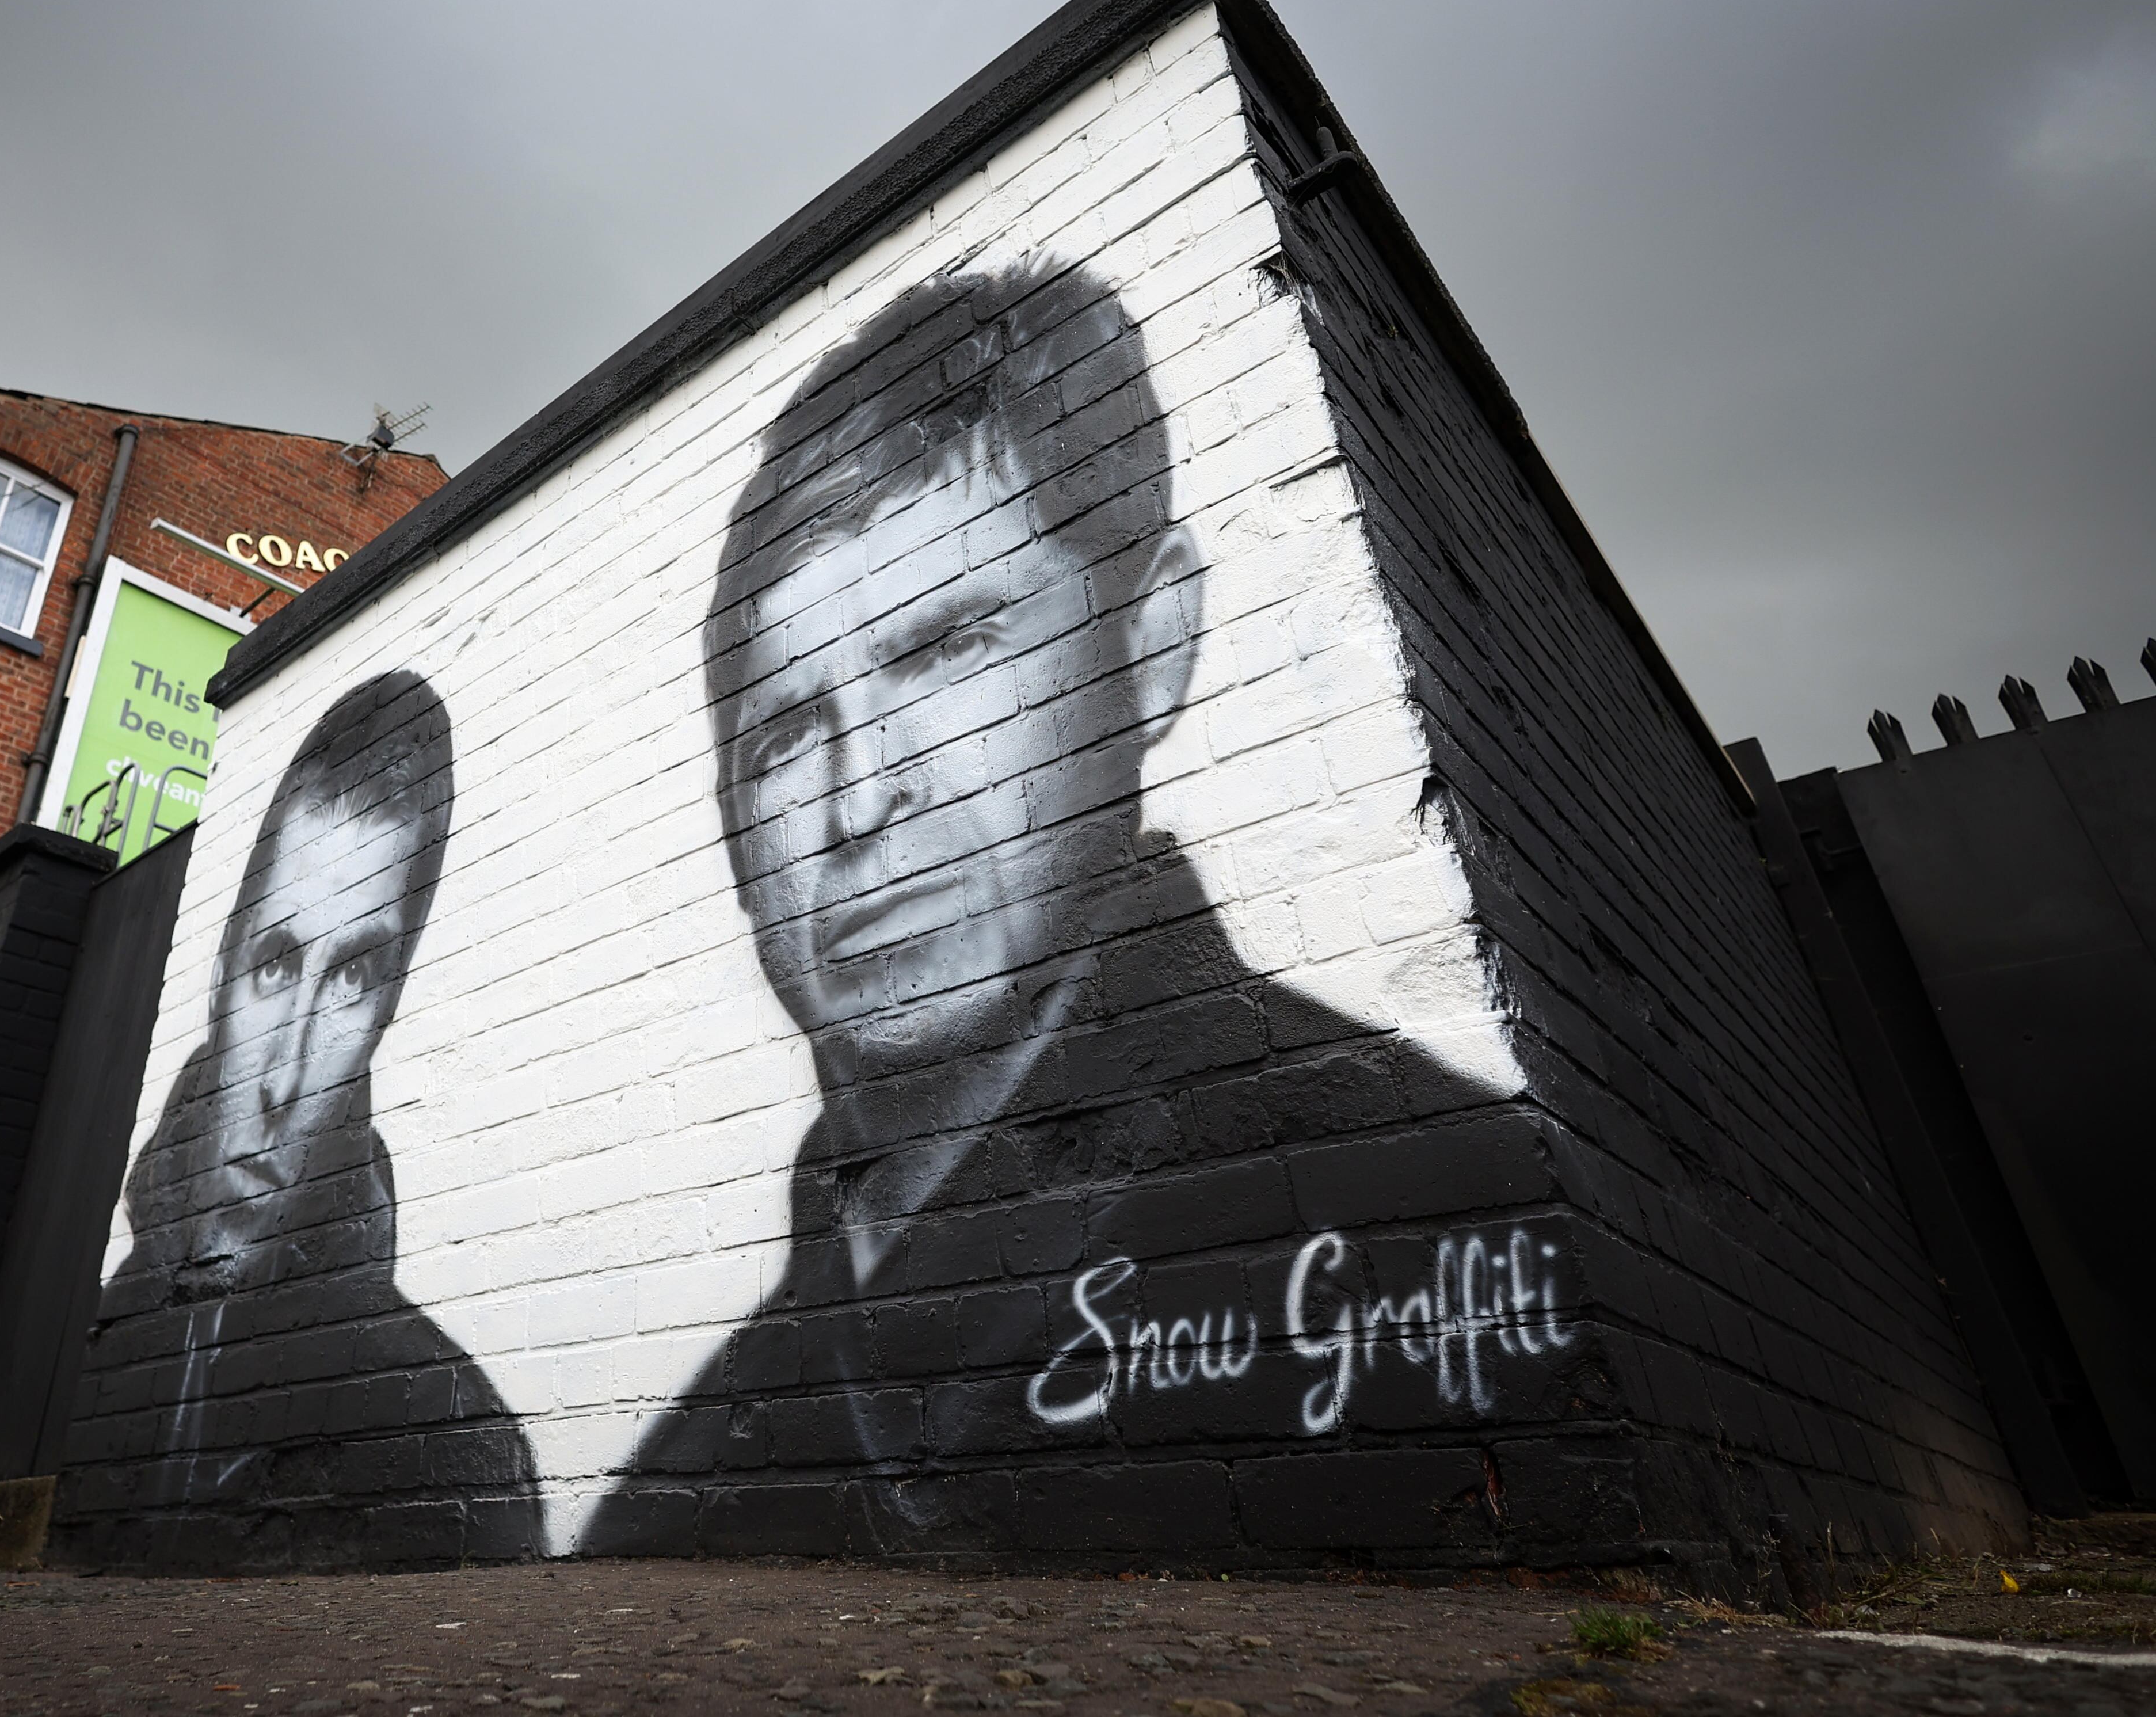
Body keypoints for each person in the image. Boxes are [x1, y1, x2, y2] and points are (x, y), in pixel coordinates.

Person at [582, 254, 1494, 1555]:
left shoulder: (1451, 1225)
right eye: (785, 731)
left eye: (945, 649)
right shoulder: (669, 1495)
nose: (856, 802)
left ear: (1151, 641)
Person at [81, 672, 541, 1567]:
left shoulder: (451, 1445)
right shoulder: (89, 1362)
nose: (283, 1075)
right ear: (219, 970)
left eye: (350, 980)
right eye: (276, 965)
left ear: (388, 1010)